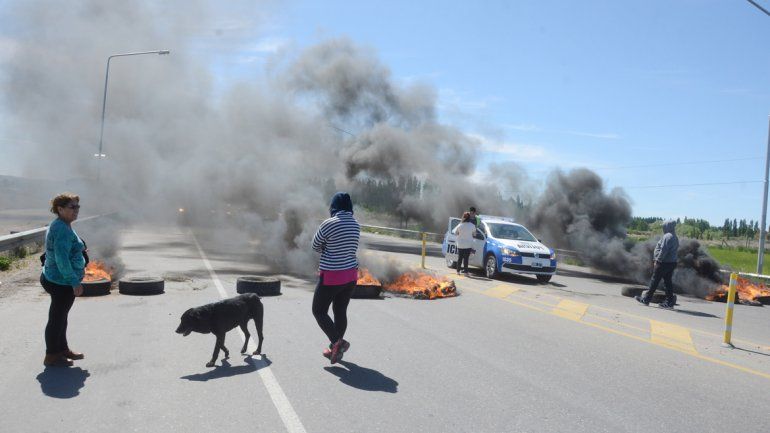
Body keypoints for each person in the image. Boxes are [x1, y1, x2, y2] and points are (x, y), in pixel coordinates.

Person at [311, 192, 361, 364]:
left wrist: (327, 247)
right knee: (340, 311)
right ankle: (335, 349)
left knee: (318, 311)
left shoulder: (329, 223)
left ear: (333, 206)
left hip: (332, 276)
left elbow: (315, 245)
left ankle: (337, 342)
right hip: (350, 276)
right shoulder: (356, 225)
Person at [41, 193, 86, 367]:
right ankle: (52, 354)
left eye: (77, 206)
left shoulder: (63, 224)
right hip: (60, 281)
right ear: (60, 209)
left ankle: (62, 349)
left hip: (58, 278)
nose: (76, 210)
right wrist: (74, 281)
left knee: (61, 317)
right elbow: (61, 259)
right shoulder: (61, 228)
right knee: (57, 318)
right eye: (72, 207)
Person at [636, 220, 679, 309]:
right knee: (667, 283)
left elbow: (663, 250)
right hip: (671, 263)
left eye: (664, 226)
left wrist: (658, 260)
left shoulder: (667, 236)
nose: (663, 228)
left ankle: (646, 299)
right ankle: (669, 303)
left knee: (654, 281)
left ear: (667, 226)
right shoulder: (674, 236)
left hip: (664, 263)